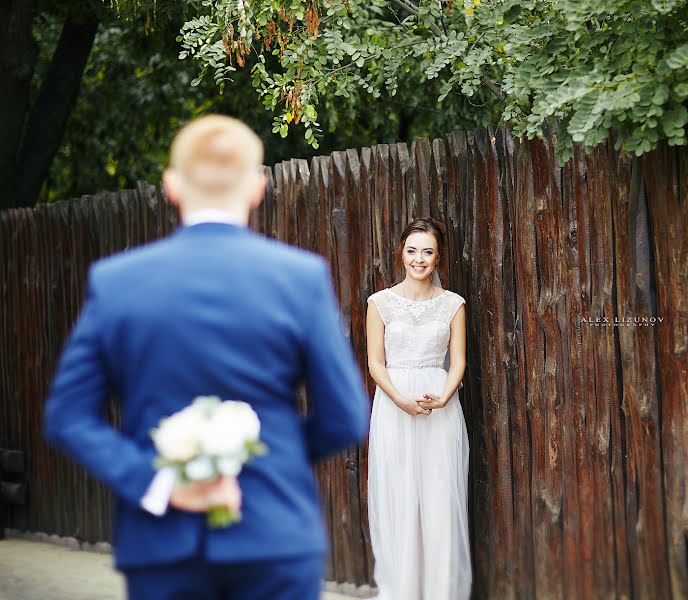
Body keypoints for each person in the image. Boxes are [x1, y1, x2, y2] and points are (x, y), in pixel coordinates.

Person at [43, 114, 370, 600]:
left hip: (161, 545)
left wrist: (158, 482)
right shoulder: (299, 278)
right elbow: (346, 418)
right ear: (258, 187)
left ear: (171, 186)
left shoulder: (118, 282)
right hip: (274, 535)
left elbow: (67, 416)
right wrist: (266, 454)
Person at [366, 217, 471, 600]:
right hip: (394, 404)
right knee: (399, 494)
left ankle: (440, 591)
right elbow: (375, 362)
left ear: (438, 257)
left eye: (427, 251)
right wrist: (397, 397)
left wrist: (444, 395)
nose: (419, 259)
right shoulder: (380, 303)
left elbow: (457, 360)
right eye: (412, 251)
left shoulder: (453, 304)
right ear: (401, 253)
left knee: (439, 495)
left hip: (437, 404)